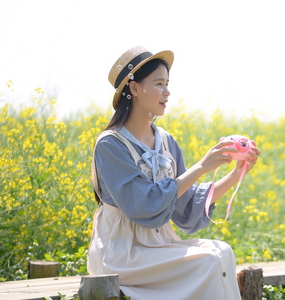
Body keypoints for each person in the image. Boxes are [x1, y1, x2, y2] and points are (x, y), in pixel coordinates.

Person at [87, 45, 260, 300]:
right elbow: (145, 204)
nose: (167, 92)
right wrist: (201, 167)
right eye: (158, 84)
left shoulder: (166, 141)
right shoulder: (111, 145)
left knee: (223, 252)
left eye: (167, 84)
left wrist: (235, 174)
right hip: (123, 254)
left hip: (161, 246)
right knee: (209, 261)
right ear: (134, 88)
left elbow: (185, 205)